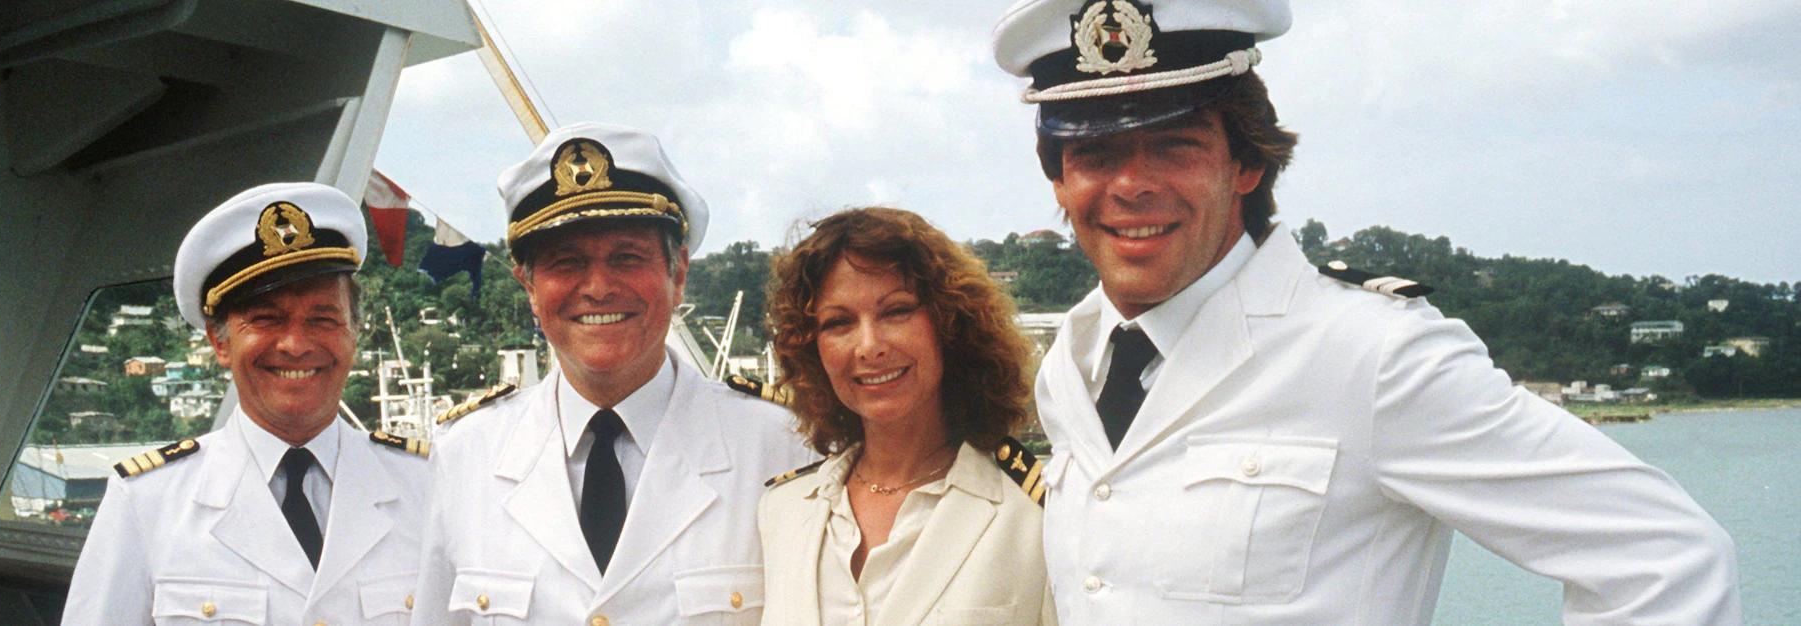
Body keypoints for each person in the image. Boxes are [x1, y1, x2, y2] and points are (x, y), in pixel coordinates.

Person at [989, 1, 1741, 623]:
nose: (1131, 184)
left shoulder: (1371, 355)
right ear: (1058, 179)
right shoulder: (1071, 364)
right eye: (1094, 153)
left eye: (1174, 147)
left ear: (1246, 164)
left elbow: (1668, 561)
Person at [411, 122, 815, 625]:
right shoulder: (467, 455)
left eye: (627, 257)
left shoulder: (778, 448)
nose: (598, 288)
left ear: (679, 273)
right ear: (529, 287)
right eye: (566, 262)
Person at [64, 183, 431, 624]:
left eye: (323, 319)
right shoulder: (148, 502)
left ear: (353, 333)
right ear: (220, 341)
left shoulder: (427, 487)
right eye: (266, 319)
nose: (296, 344)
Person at [758, 207, 1055, 625]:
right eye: (838, 322)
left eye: (895, 312)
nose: (869, 346)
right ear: (813, 350)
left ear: (949, 324)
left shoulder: (1037, 515)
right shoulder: (782, 511)